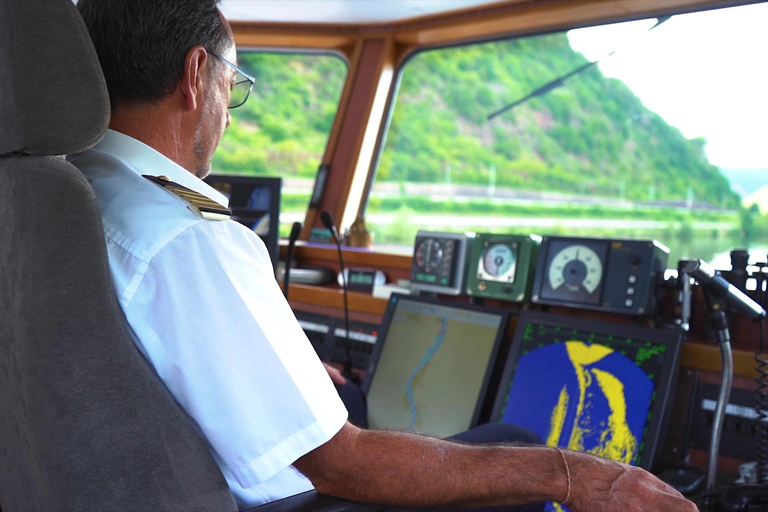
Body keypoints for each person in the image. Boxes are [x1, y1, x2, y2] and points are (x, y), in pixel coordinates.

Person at [69, 1, 698, 511]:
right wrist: (572, 475)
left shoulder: (72, 196)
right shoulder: (190, 237)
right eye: (231, 88)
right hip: (274, 500)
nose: (226, 118)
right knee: (519, 440)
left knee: (354, 395)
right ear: (195, 74)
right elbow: (340, 463)